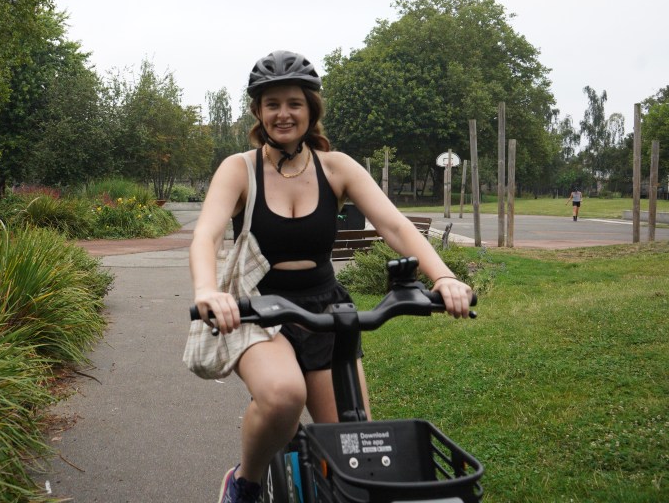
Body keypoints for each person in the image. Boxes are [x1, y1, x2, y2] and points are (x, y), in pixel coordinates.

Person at [189, 50, 475, 503]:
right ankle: (244, 483)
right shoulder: (238, 168)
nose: (283, 114)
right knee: (282, 395)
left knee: (352, 453)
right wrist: (208, 291)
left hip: (325, 307)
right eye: (272, 104)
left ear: (311, 109)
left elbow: (395, 225)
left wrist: (442, 277)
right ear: (259, 113)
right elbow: (205, 236)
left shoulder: (336, 167)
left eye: (294, 103)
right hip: (258, 310)